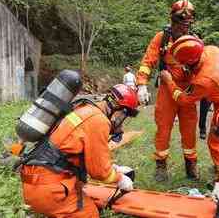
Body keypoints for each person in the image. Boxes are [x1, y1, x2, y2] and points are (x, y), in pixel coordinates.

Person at [19, 84, 139, 218]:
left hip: (34, 182)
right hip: (50, 189)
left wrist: (114, 168)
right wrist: (120, 178)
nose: (121, 125)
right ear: (120, 111)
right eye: (124, 118)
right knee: (90, 214)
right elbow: (99, 173)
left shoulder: (84, 108)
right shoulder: (99, 121)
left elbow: (81, 154)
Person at [160, 35, 219, 176]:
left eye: (184, 64)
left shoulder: (205, 80)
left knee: (216, 140)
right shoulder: (212, 50)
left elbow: (183, 100)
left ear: (189, 62)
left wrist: (169, 81)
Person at [136, 0, 199, 181]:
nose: (183, 29)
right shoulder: (161, 38)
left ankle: (191, 164)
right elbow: (148, 61)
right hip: (166, 90)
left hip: (188, 90)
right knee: (163, 128)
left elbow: (202, 65)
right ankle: (161, 165)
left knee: (189, 130)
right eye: (180, 24)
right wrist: (141, 84)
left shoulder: (195, 40)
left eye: (187, 25)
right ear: (173, 20)